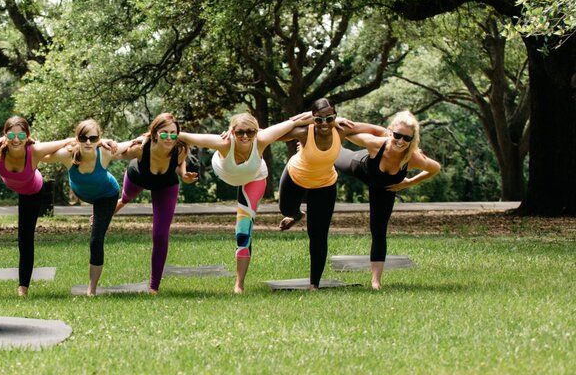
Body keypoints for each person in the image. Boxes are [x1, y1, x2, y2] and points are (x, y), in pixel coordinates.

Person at [177, 111, 313, 293]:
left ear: (256, 132)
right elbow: (183, 136)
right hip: (226, 173)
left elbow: (295, 121)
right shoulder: (224, 143)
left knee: (243, 231)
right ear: (232, 131)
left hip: (254, 177)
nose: (245, 136)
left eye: (250, 132)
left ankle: (239, 284)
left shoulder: (262, 139)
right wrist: (154, 133)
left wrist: (326, 118)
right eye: (240, 132)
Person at [277, 99, 385, 290]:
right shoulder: (305, 132)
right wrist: (297, 121)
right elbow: (271, 135)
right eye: (319, 120)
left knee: (318, 234)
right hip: (295, 176)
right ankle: (296, 214)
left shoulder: (341, 130)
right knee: (285, 209)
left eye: (330, 118)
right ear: (312, 118)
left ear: (335, 116)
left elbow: (377, 131)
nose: (325, 124)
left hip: (324, 184)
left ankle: (314, 284)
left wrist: (396, 135)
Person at [0, 117, 74, 296]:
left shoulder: (35, 150)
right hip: (18, 185)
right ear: (5, 135)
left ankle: (22, 287)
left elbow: (67, 141)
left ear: (28, 136)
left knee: (25, 238)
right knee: (22, 238)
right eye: (11, 134)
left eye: (21, 135)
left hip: (32, 191)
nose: (16, 139)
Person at [336, 110, 441, 289]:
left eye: (407, 138)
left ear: (412, 139)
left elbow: (435, 168)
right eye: (397, 135)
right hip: (359, 166)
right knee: (333, 155)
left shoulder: (412, 157)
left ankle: (376, 281)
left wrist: (408, 183)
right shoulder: (375, 144)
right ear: (390, 131)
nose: (401, 141)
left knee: (379, 230)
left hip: (384, 188)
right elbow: (346, 132)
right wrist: (336, 122)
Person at [47, 119, 138, 295]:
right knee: (97, 229)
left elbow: (131, 144)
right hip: (83, 193)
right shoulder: (68, 154)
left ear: (99, 138)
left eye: (93, 138)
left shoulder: (105, 151)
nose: (88, 142)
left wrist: (144, 138)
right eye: (83, 138)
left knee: (96, 240)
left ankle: (92, 289)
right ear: (77, 138)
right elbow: (42, 155)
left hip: (106, 195)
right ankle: (97, 217)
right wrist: (67, 141)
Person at [113, 113, 198, 293]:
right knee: (126, 198)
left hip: (165, 184)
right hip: (139, 177)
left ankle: (154, 287)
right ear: (155, 133)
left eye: (173, 133)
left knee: (160, 235)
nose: (169, 137)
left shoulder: (180, 149)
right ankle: (115, 207)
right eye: (164, 133)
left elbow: (180, 162)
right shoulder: (141, 149)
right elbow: (116, 153)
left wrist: (184, 175)